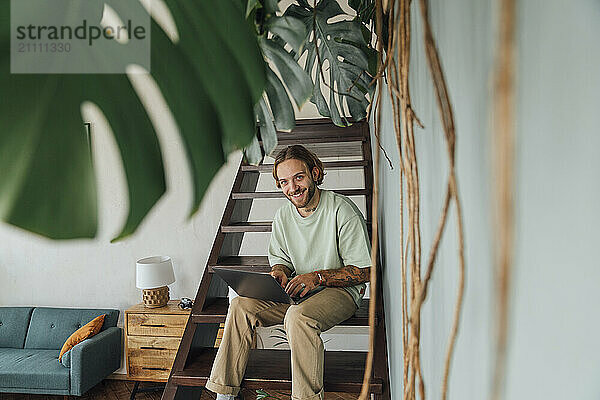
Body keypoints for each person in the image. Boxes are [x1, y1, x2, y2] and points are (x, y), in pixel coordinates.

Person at [205, 145, 371, 400]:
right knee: (240, 305)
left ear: (315, 173)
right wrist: (280, 272)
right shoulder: (283, 216)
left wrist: (317, 278)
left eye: (298, 177)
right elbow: (281, 260)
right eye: (284, 182)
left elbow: (363, 271)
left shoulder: (341, 209)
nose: (292, 188)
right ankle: (224, 394)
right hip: (298, 293)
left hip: (340, 293)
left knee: (298, 317)